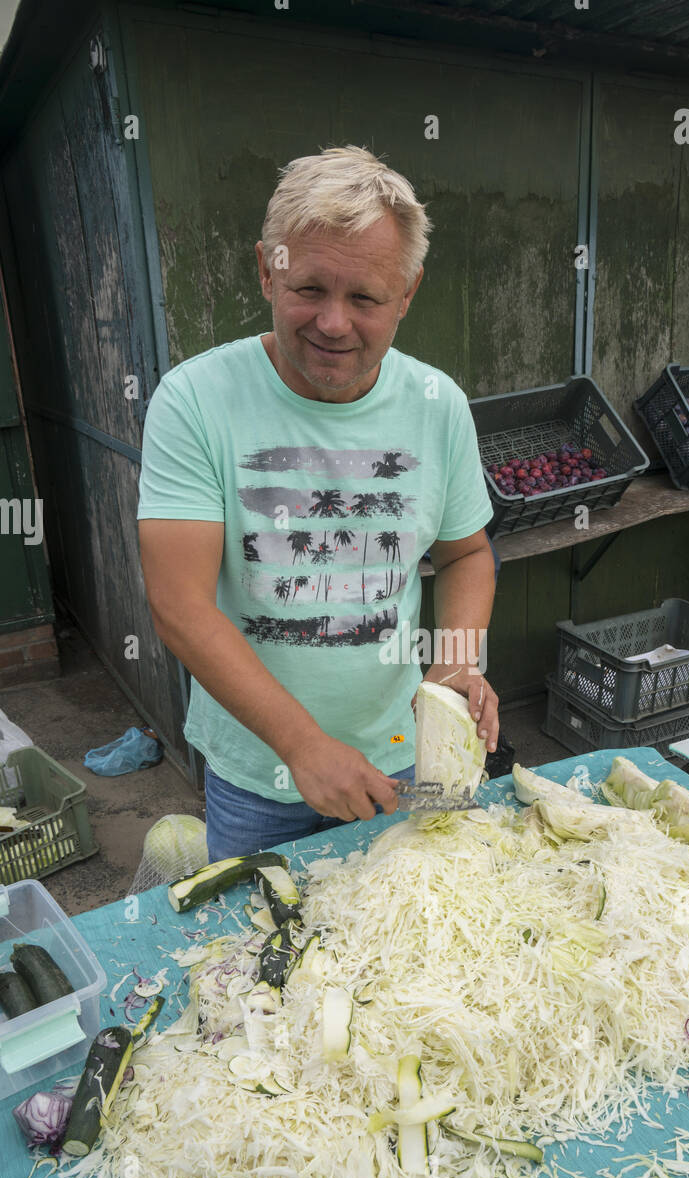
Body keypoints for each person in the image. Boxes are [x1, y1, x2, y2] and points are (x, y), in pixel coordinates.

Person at [138, 145, 500, 859]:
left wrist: (456, 664)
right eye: (309, 288)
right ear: (267, 269)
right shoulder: (194, 401)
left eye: (364, 297)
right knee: (261, 953)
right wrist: (303, 746)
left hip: (402, 752)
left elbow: (465, 555)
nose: (334, 323)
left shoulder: (438, 406)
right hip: (258, 776)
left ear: (408, 293)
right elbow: (178, 604)